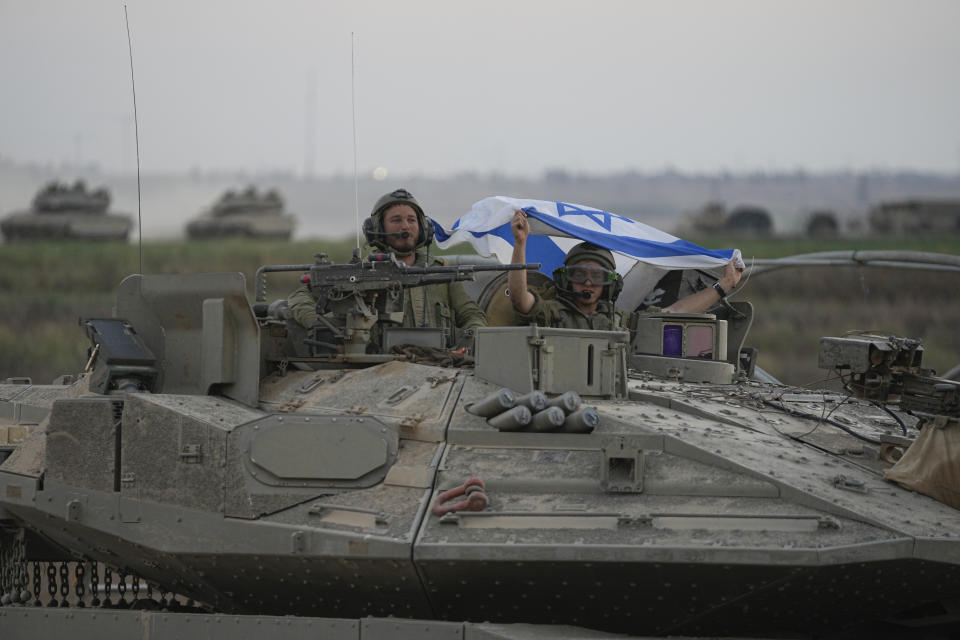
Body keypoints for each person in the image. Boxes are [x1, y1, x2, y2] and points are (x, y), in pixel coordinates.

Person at [288, 188, 487, 335]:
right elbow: (300, 296)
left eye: (411, 220)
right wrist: (319, 324)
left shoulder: (442, 272)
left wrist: (472, 337)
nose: (406, 226)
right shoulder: (361, 271)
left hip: (438, 367)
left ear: (423, 228)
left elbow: (471, 314)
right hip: (379, 369)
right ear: (377, 227)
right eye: (396, 220)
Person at [507, 209, 742, 329]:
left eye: (597, 277)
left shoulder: (617, 320)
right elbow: (520, 298)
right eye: (579, 275)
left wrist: (723, 286)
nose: (588, 283)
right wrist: (520, 243)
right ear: (566, 278)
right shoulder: (551, 313)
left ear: (611, 284)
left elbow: (671, 314)